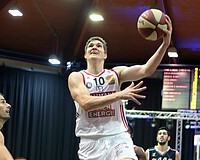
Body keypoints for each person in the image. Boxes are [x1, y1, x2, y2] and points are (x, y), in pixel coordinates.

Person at [68, 14, 172, 160]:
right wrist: (119, 95)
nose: (94, 47)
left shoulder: (116, 74)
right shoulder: (77, 77)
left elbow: (146, 70)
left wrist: (165, 45)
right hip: (90, 141)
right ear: (85, 54)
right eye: (90, 46)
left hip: (118, 136)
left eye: (99, 46)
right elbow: (86, 103)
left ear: (105, 55)